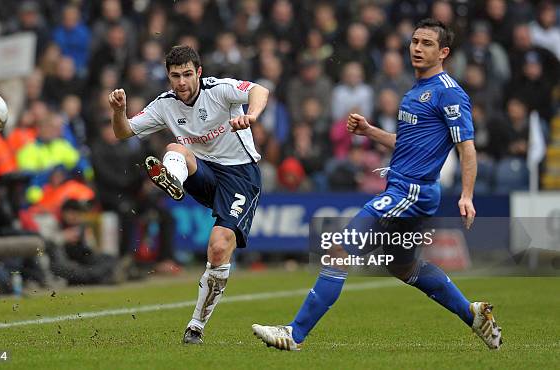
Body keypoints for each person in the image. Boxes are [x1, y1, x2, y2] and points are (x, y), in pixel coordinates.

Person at [252, 19, 502, 351]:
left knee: (340, 249)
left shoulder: (449, 92)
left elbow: (466, 147)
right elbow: (408, 144)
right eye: (414, 41)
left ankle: (294, 334)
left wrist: (467, 195)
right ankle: (473, 316)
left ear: (443, 52)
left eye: (427, 43)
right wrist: (370, 131)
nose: (417, 48)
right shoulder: (415, 90)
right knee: (403, 266)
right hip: (404, 190)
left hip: (410, 192)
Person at [108, 45, 269, 344]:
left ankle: (196, 325)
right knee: (175, 149)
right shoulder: (165, 104)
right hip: (203, 172)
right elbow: (123, 132)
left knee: (218, 249)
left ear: (199, 73)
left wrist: (252, 115)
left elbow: (260, 90)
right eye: (174, 76)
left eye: (186, 75)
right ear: (168, 77)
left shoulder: (219, 89)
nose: (181, 82)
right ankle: (173, 178)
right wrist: (118, 112)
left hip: (239, 176)